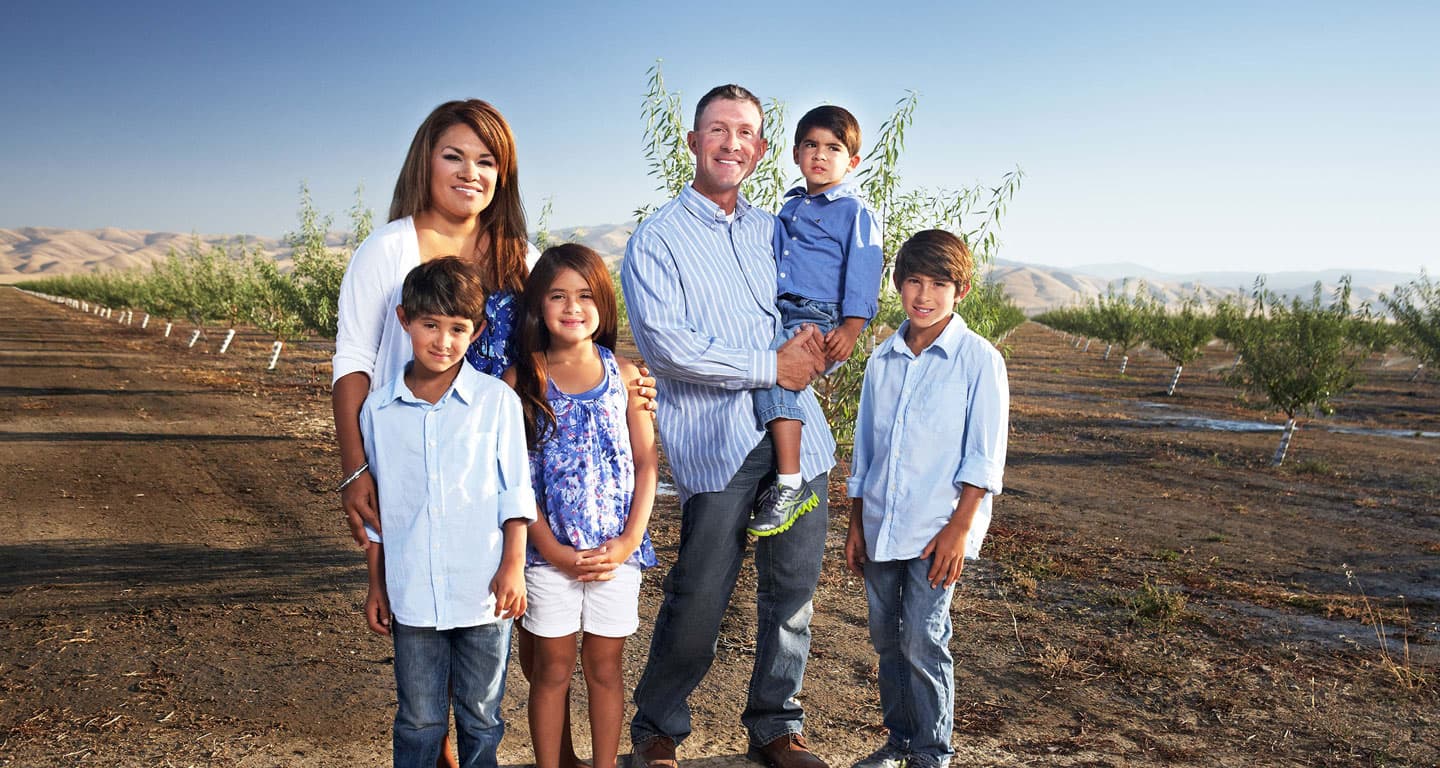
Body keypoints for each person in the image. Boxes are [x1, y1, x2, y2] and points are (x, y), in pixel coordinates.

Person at [332, 99, 652, 768]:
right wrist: (356, 468)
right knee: (429, 617)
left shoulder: (520, 256)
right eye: (454, 155)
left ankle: (552, 754)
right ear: (426, 159)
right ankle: (443, 752)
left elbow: (568, 337)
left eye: (487, 161)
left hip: (508, 467)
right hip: (416, 457)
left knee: (530, 626)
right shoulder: (388, 248)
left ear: (503, 175)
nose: (469, 172)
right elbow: (354, 366)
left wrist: (624, 377)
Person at [621, 84, 835, 768]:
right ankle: (658, 727)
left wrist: (809, 350)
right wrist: (770, 364)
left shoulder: (779, 231)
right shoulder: (657, 241)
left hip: (801, 434)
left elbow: (810, 317)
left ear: (763, 151)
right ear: (693, 141)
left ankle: (775, 725)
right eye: (718, 130)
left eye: (746, 133)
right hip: (719, 444)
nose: (732, 143)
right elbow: (669, 346)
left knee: (793, 591)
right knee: (700, 593)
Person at [358, 257, 533, 768]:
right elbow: (377, 510)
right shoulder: (379, 410)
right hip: (412, 593)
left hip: (484, 593)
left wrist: (513, 566)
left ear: (477, 331)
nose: (442, 341)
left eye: (457, 328)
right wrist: (376, 583)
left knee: (481, 714)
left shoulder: (495, 401)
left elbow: (515, 491)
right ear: (404, 319)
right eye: (430, 325)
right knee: (418, 718)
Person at [842, 230, 1009, 768]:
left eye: (939, 284)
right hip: (881, 522)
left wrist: (960, 528)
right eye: (913, 281)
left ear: (960, 292)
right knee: (885, 640)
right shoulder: (883, 359)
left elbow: (983, 455)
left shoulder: (978, 360)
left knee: (922, 639)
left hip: (937, 528)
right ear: (897, 285)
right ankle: (900, 740)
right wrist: (855, 523)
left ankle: (932, 753)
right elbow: (866, 449)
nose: (923, 295)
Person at [502, 244, 658, 768]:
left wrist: (630, 541)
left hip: (616, 552)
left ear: (604, 304)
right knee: (551, 670)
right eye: (558, 296)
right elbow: (517, 478)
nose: (573, 307)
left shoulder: (627, 376)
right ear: (538, 307)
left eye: (586, 295)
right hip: (549, 556)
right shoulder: (523, 380)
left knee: (606, 668)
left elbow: (645, 462)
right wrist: (552, 550)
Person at [748, 105, 883, 537]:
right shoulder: (790, 208)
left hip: (819, 317)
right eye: (811, 145)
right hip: (784, 309)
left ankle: (790, 483)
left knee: (775, 376)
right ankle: (780, 474)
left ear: (852, 162)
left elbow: (865, 269)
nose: (820, 155)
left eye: (833, 148)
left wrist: (852, 327)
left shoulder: (853, 211)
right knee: (760, 370)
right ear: (794, 153)